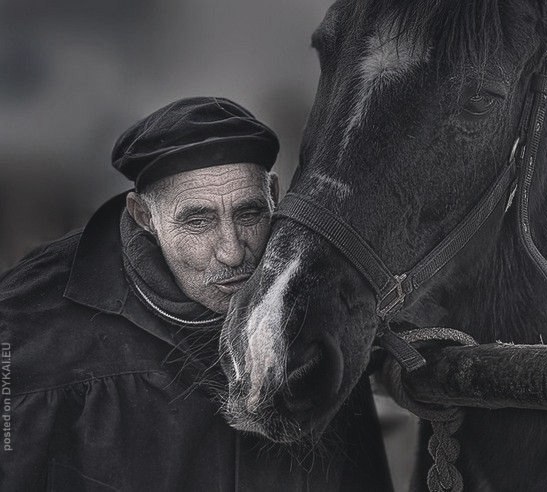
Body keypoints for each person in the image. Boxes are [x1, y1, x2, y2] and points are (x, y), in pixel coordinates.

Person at [0, 97, 392, 491]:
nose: (233, 251)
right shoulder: (28, 329)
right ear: (143, 216)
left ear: (274, 193)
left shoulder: (315, 312)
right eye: (198, 220)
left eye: (249, 213)